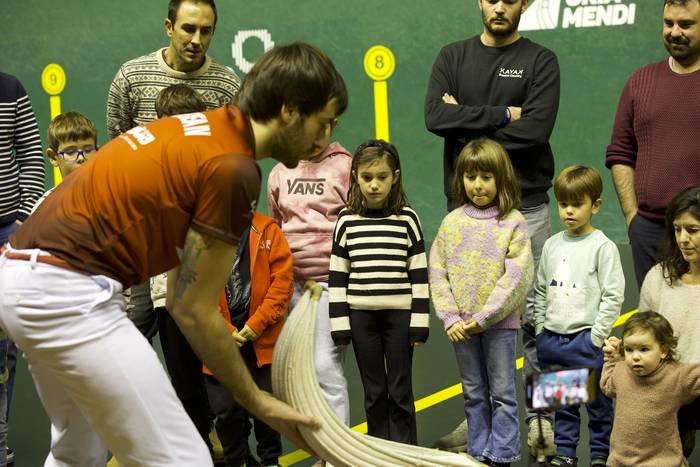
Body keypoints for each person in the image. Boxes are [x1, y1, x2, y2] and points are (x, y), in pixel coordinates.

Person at [0, 42, 346, 466]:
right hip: (65, 291)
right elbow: (193, 308)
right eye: (323, 123)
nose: (325, 138)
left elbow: (182, 290)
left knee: (78, 451)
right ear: (290, 110)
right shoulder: (233, 168)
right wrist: (259, 400)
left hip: (20, 272)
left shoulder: (203, 128)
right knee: (183, 459)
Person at [424, 0, 561, 452]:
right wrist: (505, 113)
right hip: (464, 218)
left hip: (529, 208)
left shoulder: (540, 60)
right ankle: (478, 426)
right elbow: (434, 118)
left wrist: (465, 119)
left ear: (525, 4)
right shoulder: (452, 56)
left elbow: (537, 130)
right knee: (472, 316)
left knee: (541, 320)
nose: (499, 6)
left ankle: (548, 422)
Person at [107, 0, 241, 356]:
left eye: (206, 30)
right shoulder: (131, 78)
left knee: (198, 348)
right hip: (141, 236)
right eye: (188, 28)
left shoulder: (227, 86)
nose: (197, 39)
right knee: (133, 335)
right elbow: (118, 151)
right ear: (169, 27)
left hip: (199, 240)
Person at [429, 138, 533, 466]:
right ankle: (477, 453)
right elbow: (438, 271)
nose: (478, 185)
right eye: (471, 177)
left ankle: (501, 455)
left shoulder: (513, 222)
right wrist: (449, 318)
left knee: (502, 393)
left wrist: (487, 315)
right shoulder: (451, 223)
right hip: (462, 328)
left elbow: (517, 277)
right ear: (460, 179)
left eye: (486, 177)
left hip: (499, 326)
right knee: (474, 393)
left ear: (501, 179)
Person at [329, 139, 429, 445]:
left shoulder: (408, 219)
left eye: (382, 177)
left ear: (395, 177)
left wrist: (420, 323)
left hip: (399, 317)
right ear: (355, 177)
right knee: (374, 392)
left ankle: (406, 453)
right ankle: (379, 452)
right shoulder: (346, 221)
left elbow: (419, 275)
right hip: (361, 319)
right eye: (367, 178)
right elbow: (337, 276)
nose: (374, 185)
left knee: (400, 390)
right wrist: (340, 325)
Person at [267, 113, 352, 440]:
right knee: (299, 373)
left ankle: (338, 453)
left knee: (324, 368)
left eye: (323, 127)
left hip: (330, 284)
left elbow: (354, 226)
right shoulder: (279, 172)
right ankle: (324, 449)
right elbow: (276, 225)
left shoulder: (346, 168)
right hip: (290, 286)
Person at [534, 166, 625, 467]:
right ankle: (565, 454)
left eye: (577, 204)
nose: (569, 211)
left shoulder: (603, 247)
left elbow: (613, 296)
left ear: (595, 206)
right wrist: (540, 330)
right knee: (563, 405)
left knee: (598, 406)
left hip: (586, 341)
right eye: (563, 204)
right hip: (552, 340)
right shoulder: (551, 244)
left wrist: (596, 337)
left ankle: (600, 455)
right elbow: (539, 289)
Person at [605, 0, 700, 289]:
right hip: (648, 231)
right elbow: (621, 152)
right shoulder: (640, 81)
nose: (674, 31)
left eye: (685, 24)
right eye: (668, 23)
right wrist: (632, 217)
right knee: (654, 326)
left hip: (698, 230)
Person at [203, 211, 292, 467]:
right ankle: (236, 460)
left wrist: (257, 324)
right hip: (220, 345)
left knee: (266, 408)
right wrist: (223, 328)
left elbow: (282, 282)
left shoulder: (268, 230)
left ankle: (271, 460)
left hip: (262, 341)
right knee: (227, 411)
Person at [0, 71, 45, 466]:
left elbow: (31, 154)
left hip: (6, 232)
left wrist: (19, 222)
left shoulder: (9, 88)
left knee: (5, 348)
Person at [638, 185, 700, 456]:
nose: (683, 239)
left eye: (692, 230)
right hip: (668, 389)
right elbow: (643, 332)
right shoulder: (659, 277)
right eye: (677, 230)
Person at [601, 311, 700, 466]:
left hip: (663, 461)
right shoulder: (621, 370)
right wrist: (611, 360)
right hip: (619, 460)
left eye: (644, 349)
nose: (635, 356)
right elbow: (607, 386)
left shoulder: (677, 375)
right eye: (629, 349)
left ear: (663, 350)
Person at [31, 111, 99, 212]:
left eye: (88, 150)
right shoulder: (45, 208)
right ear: (53, 157)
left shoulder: (111, 197)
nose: (81, 158)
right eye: (71, 152)